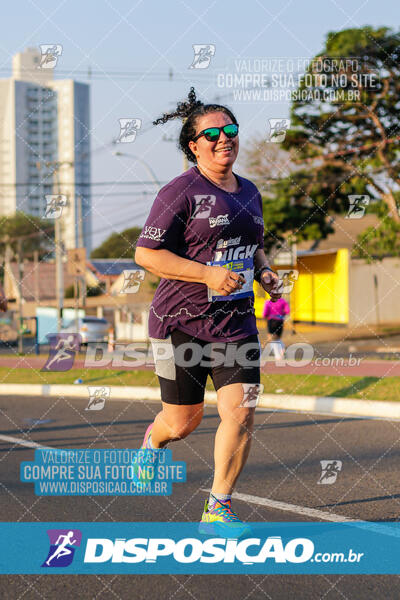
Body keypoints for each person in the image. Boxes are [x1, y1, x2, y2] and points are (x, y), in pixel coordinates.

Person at [135, 87, 282, 537]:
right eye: (212, 133)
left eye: (231, 130)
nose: (224, 139)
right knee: (183, 422)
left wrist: (264, 271)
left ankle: (218, 507)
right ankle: (154, 439)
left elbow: (254, 246)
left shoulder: (250, 192)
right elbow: (146, 254)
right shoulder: (179, 191)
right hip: (180, 322)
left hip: (236, 324)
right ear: (193, 145)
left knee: (241, 411)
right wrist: (206, 275)